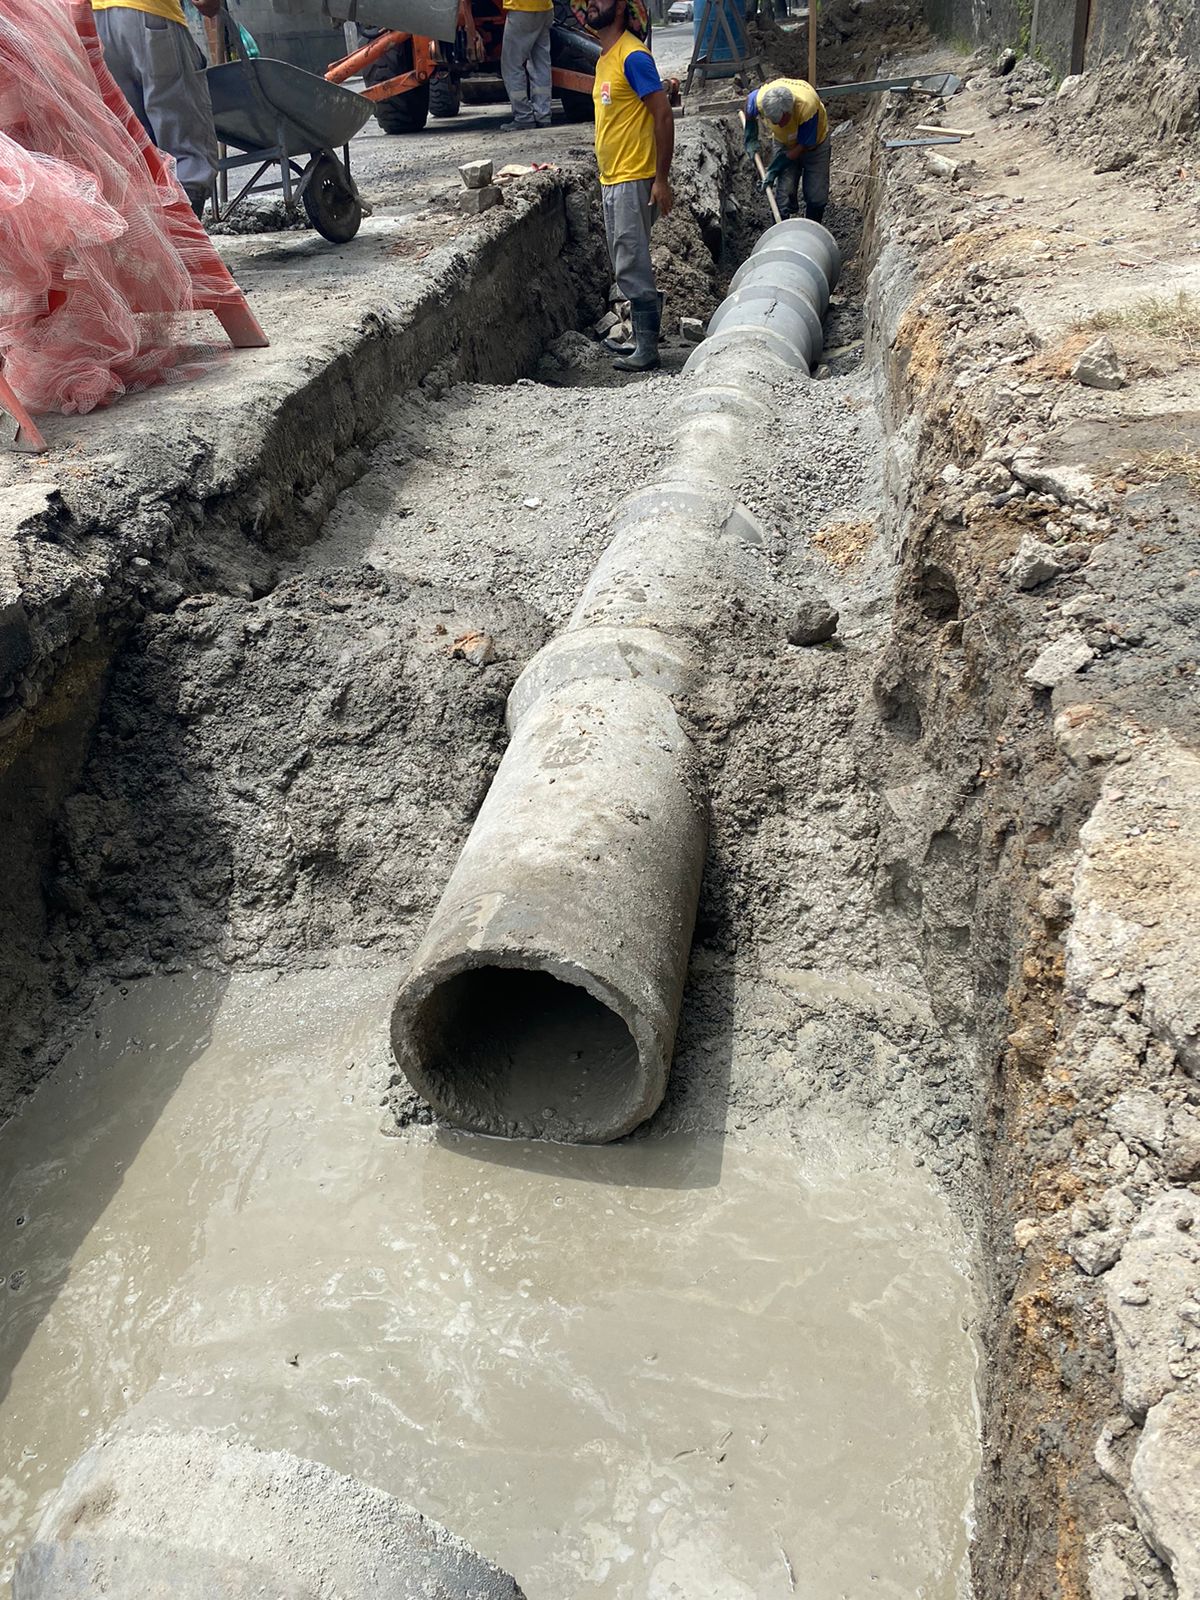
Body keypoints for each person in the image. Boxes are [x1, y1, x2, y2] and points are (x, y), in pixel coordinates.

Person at [586, 0, 673, 372]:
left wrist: (661, 179)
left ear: (621, 7)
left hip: (632, 175)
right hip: (613, 178)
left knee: (631, 263)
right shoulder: (606, 57)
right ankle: (641, 338)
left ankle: (648, 349)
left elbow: (663, 114)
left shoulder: (633, 57)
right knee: (626, 260)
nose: (592, 3)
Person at [91, 0, 220, 219]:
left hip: (96, 21)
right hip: (150, 13)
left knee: (135, 140)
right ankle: (187, 235)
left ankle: (157, 231)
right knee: (183, 141)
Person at [743, 77, 830, 224]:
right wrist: (750, 136)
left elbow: (803, 146)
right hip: (784, 142)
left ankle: (811, 229)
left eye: (780, 121)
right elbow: (749, 105)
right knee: (784, 194)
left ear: (789, 111)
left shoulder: (807, 107)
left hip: (815, 145)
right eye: (773, 121)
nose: (777, 125)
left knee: (816, 195)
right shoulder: (761, 99)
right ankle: (781, 227)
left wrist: (774, 168)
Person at [501, 0, 554, 131]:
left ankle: (523, 116)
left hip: (521, 8)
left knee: (512, 64)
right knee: (540, 63)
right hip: (545, 7)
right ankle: (543, 115)